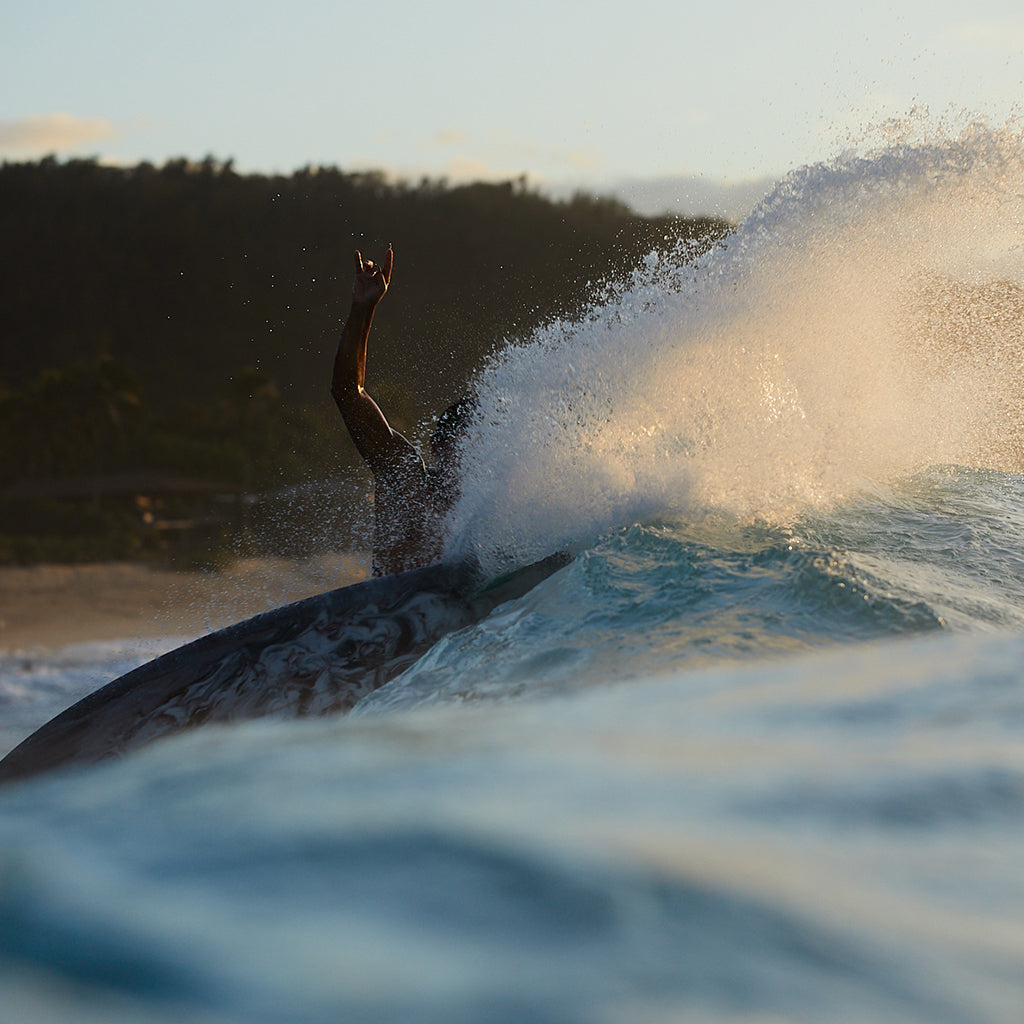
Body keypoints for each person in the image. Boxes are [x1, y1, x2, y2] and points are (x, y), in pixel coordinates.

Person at [331, 246, 473, 576]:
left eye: (485, 446)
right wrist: (362, 312)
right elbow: (348, 394)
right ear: (439, 447)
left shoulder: (493, 512)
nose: (477, 456)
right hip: (388, 614)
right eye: (467, 443)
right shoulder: (406, 479)